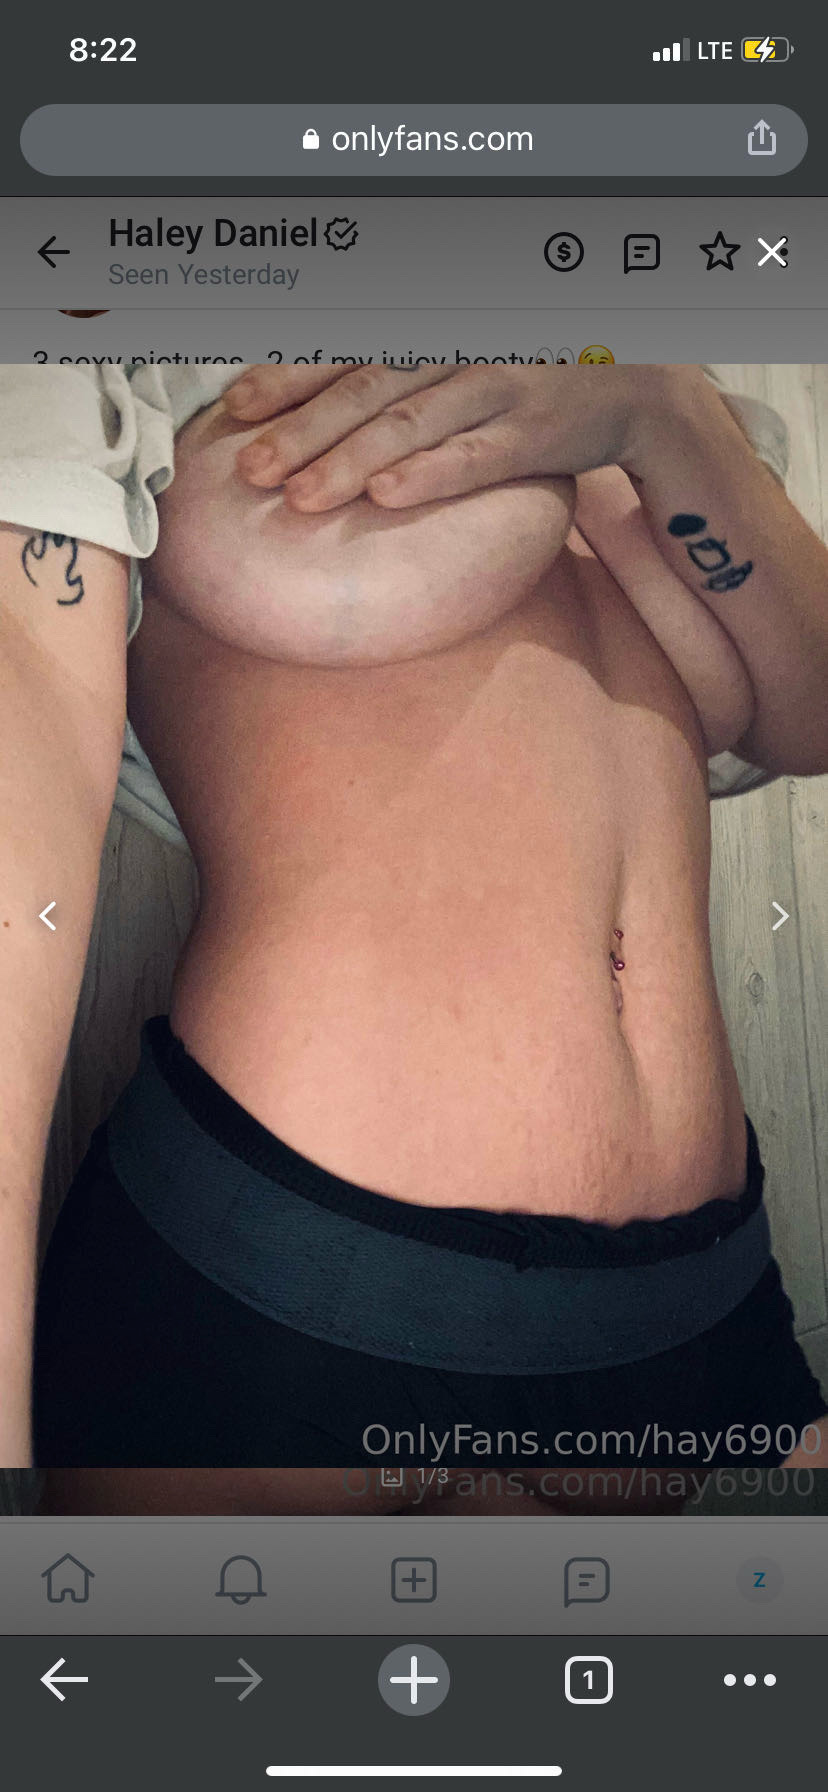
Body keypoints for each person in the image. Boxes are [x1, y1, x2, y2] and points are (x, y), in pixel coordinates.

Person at [2, 363, 827, 1512]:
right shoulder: (123, 328)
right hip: (298, 1291)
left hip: (695, 1305)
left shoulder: (635, 363)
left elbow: (811, 716)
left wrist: (659, 412)